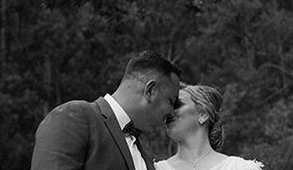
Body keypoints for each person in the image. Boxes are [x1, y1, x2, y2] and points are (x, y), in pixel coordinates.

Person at [31, 50, 182, 170]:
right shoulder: (74, 117)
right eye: (171, 101)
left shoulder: (147, 159)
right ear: (150, 90)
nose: (171, 113)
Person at [156, 84, 264, 170]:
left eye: (177, 105)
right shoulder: (154, 168)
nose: (168, 112)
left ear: (203, 115)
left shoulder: (240, 168)